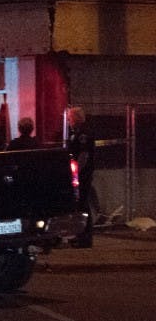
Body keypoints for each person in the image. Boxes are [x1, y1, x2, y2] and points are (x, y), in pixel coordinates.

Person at [66, 106, 95, 248]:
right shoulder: (75, 133)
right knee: (79, 206)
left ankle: (85, 238)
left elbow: (83, 156)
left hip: (82, 176)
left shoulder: (84, 135)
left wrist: (76, 174)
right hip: (78, 175)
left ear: (77, 119)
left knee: (83, 206)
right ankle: (79, 235)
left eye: (71, 118)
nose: (69, 121)